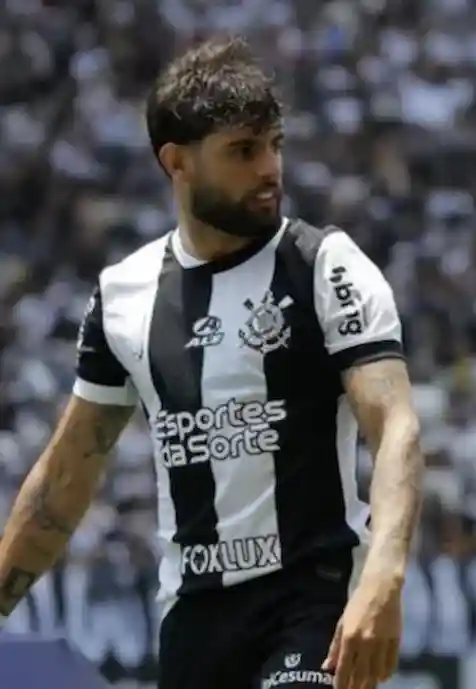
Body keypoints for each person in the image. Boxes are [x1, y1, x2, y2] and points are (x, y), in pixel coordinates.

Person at [0, 37, 425, 689]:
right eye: (244, 151)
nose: (270, 168)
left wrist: (385, 575)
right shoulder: (124, 294)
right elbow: (67, 471)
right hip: (194, 617)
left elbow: (394, 425)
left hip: (312, 599)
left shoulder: (324, 264)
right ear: (178, 163)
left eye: (275, 144)